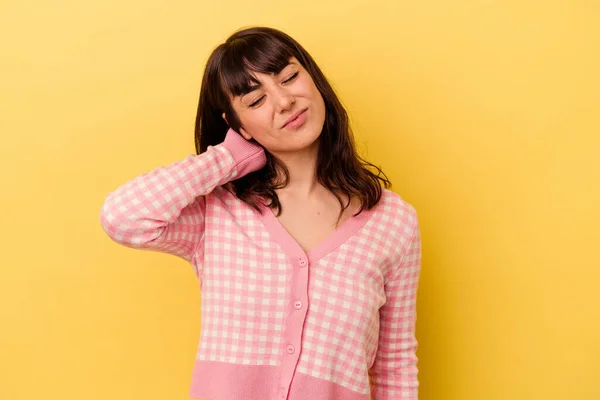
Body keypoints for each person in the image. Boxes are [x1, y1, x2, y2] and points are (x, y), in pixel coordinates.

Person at [100, 26, 421, 400]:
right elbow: (123, 218)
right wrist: (229, 158)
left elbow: (393, 368)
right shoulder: (218, 212)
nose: (285, 101)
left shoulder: (393, 221)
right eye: (255, 101)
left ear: (313, 79)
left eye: (289, 77)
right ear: (238, 126)